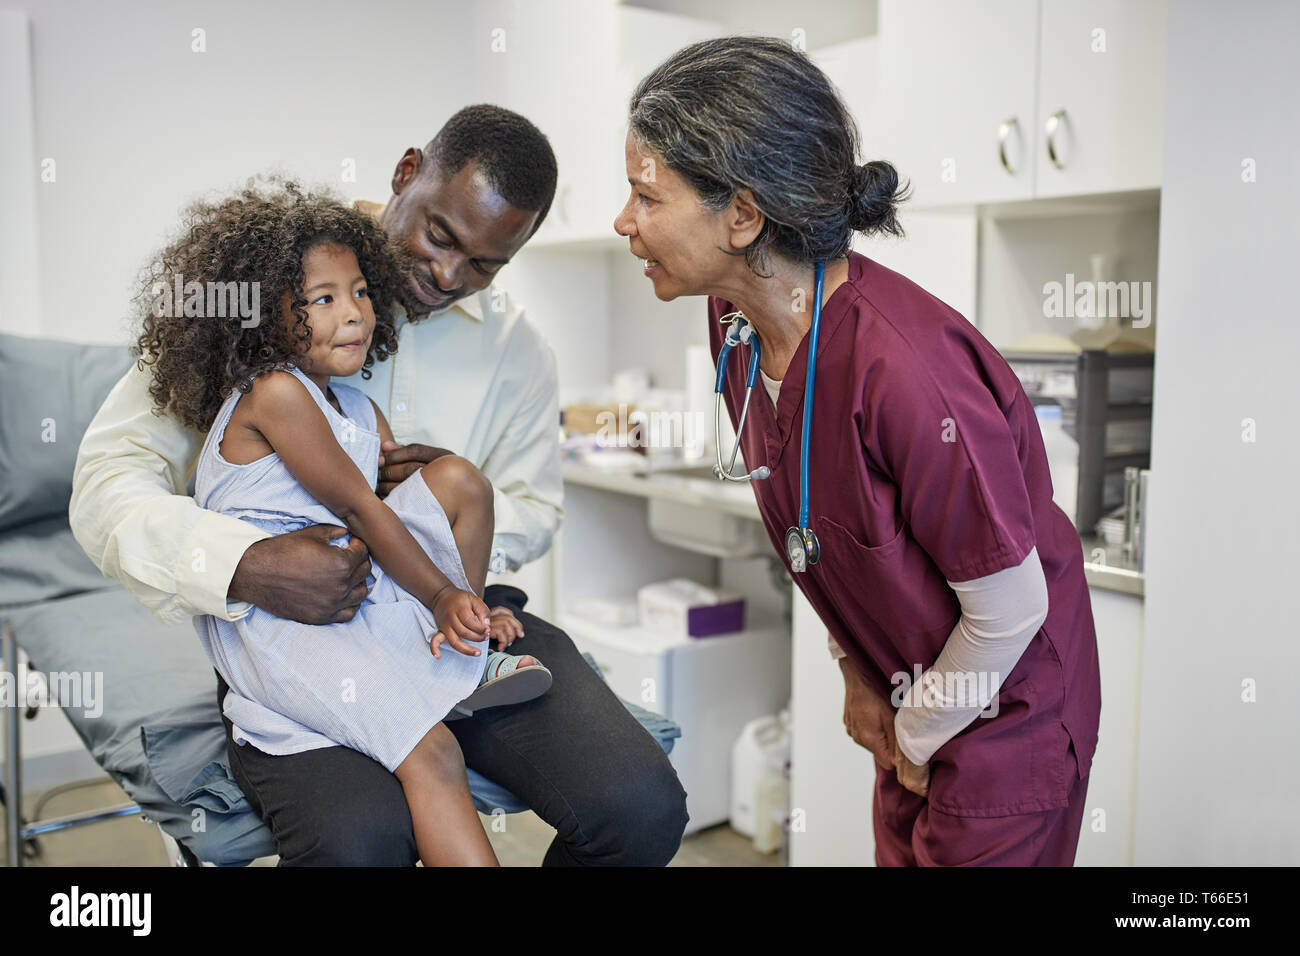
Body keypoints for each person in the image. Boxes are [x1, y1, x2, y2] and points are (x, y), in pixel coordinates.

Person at [71, 105, 688, 866]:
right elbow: (106, 484)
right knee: (359, 840)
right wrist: (246, 564)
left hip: (451, 611)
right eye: (440, 236)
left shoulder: (516, 353)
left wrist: (433, 510)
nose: (448, 276)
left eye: (485, 265)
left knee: (642, 807)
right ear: (406, 174)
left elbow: (535, 509)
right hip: (302, 624)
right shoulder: (265, 295)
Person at [614, 38, 1101, 866]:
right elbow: (829, 531)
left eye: (646, 196)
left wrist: (918, 726)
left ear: (742, 214)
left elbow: (1010, 608)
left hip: (1001, 714)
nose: (625, 222)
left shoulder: (906, 371)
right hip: (906, 693)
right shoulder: (737, 328)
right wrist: (857, 670)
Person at [132, 183, 555, 866]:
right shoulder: (276, 394)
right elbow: (364, 509)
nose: (354, 314)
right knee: (433, 752)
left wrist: (458, 589)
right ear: (270, 316)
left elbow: (403, 503)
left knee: (460, 480)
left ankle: (464, 646)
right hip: (282, 626)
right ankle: (451, 635)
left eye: (360, 292)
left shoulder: (355, 408)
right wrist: (439, 595)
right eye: (323, 300)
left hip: (352, 597)